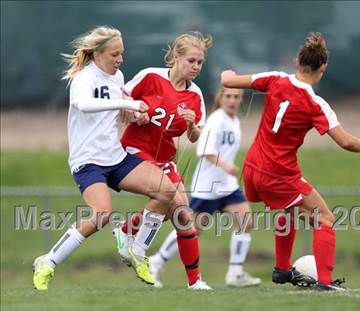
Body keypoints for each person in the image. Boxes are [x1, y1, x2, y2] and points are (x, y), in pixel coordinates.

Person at [220, 32, 360, 291]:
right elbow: (346, 142)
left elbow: (228, 80)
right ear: (323, 68)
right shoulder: (315, 103)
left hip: (251, 169)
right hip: (278, 174)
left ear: (296, 61)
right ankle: (325, 284)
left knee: (289, 212)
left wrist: (226, 74)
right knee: (325, 219)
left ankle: (282, 269)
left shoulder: (274, 79)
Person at [32, 26, 184, 290]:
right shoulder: (84, 77)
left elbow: (117, 112)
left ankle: (136, 249)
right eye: (115, 54)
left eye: (122, 53)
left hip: (115, 157)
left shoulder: (118, 77)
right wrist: (128, 104)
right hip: (88, 161)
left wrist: (137, 115)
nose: (120, 59)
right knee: (101, 215)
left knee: (166, 191)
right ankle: (47, 262)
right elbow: (83, 104)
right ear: (98, 54)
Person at [112, 32, 213, 290]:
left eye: (200, 62)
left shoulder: (195, 95)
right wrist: (136, 112)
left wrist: (192, 125)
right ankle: (139, 250)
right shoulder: (151, 76)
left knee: (181, 215)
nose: (196, 67)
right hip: (136, 150)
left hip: (165, 158)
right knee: (176, 201)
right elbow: (121, 100)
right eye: (191, 60)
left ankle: (195, 282)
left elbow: (195, 137)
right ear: (176, 58)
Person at [146, 87, 262, 288]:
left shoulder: (233, 121)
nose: (232, 100)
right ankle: (156, 261)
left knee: (245, 221)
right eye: (228, 96)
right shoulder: (216, 120)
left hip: (227, 186)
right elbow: (204, 150)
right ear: (220, 98)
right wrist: (226, 166)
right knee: (191, 229)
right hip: (208, 186)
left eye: (236, 97)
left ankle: (235, 273)